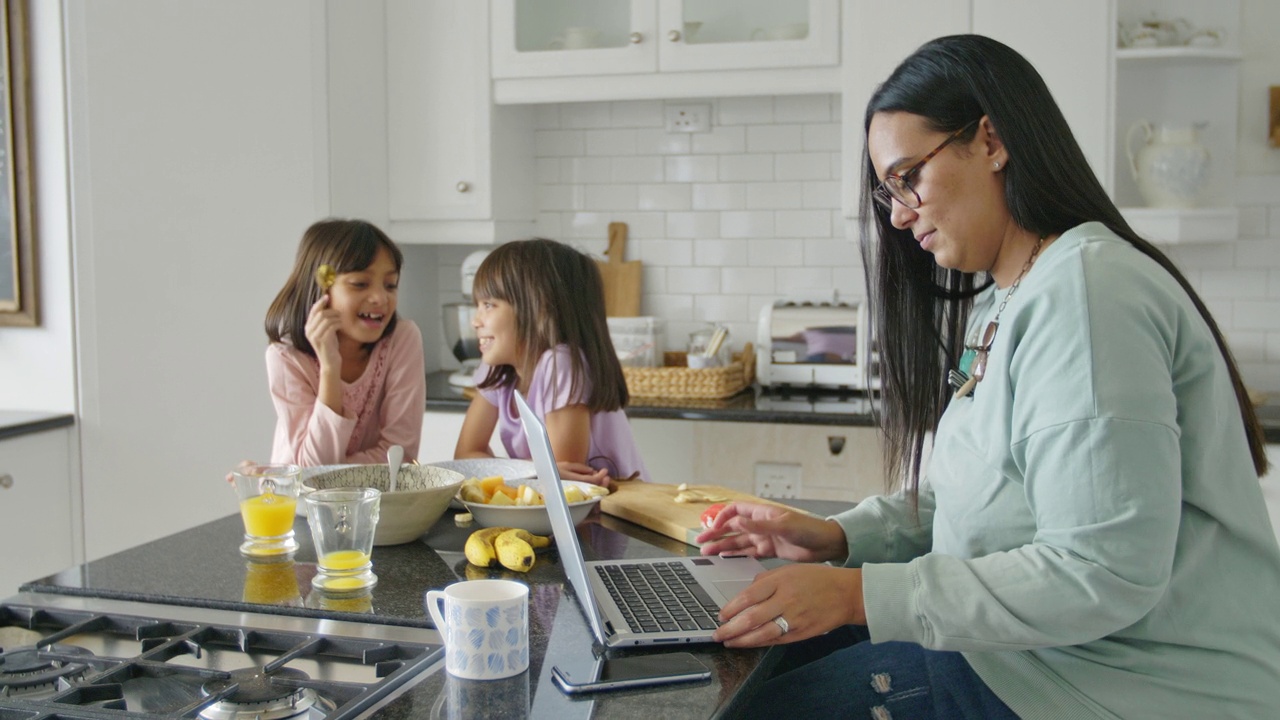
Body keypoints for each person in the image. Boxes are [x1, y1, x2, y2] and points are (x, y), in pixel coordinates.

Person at [697, 34, 1280, 719]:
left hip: (1113, 687)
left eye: (908, 177)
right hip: (1028, 653)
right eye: (888, 194)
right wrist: (839, 539)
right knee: (757, 668)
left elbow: (1100, 574)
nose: (901, 214)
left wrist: (857, 595)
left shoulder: (1087, 296)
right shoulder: (1009, 297)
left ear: (991, 141)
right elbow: (974, 506)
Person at [454, 238, 646, 486]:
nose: (475, 321)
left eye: (489, 305)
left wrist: (510, 472)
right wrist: (531, 470)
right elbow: (465, 455)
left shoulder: (559, 365)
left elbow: (564, 484)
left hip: (607, 517)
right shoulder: (498, 371)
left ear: (538, 309)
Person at [263, 218, 425, 466]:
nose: (380, 298)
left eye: (390, 285)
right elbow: (313, 469)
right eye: (360, 284)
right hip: (299, 504)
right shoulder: (286, 357)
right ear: (321, 292)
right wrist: (329, 368)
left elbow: (399, 456)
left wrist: (334, 471)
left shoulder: (402, 340)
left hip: (375, 501)